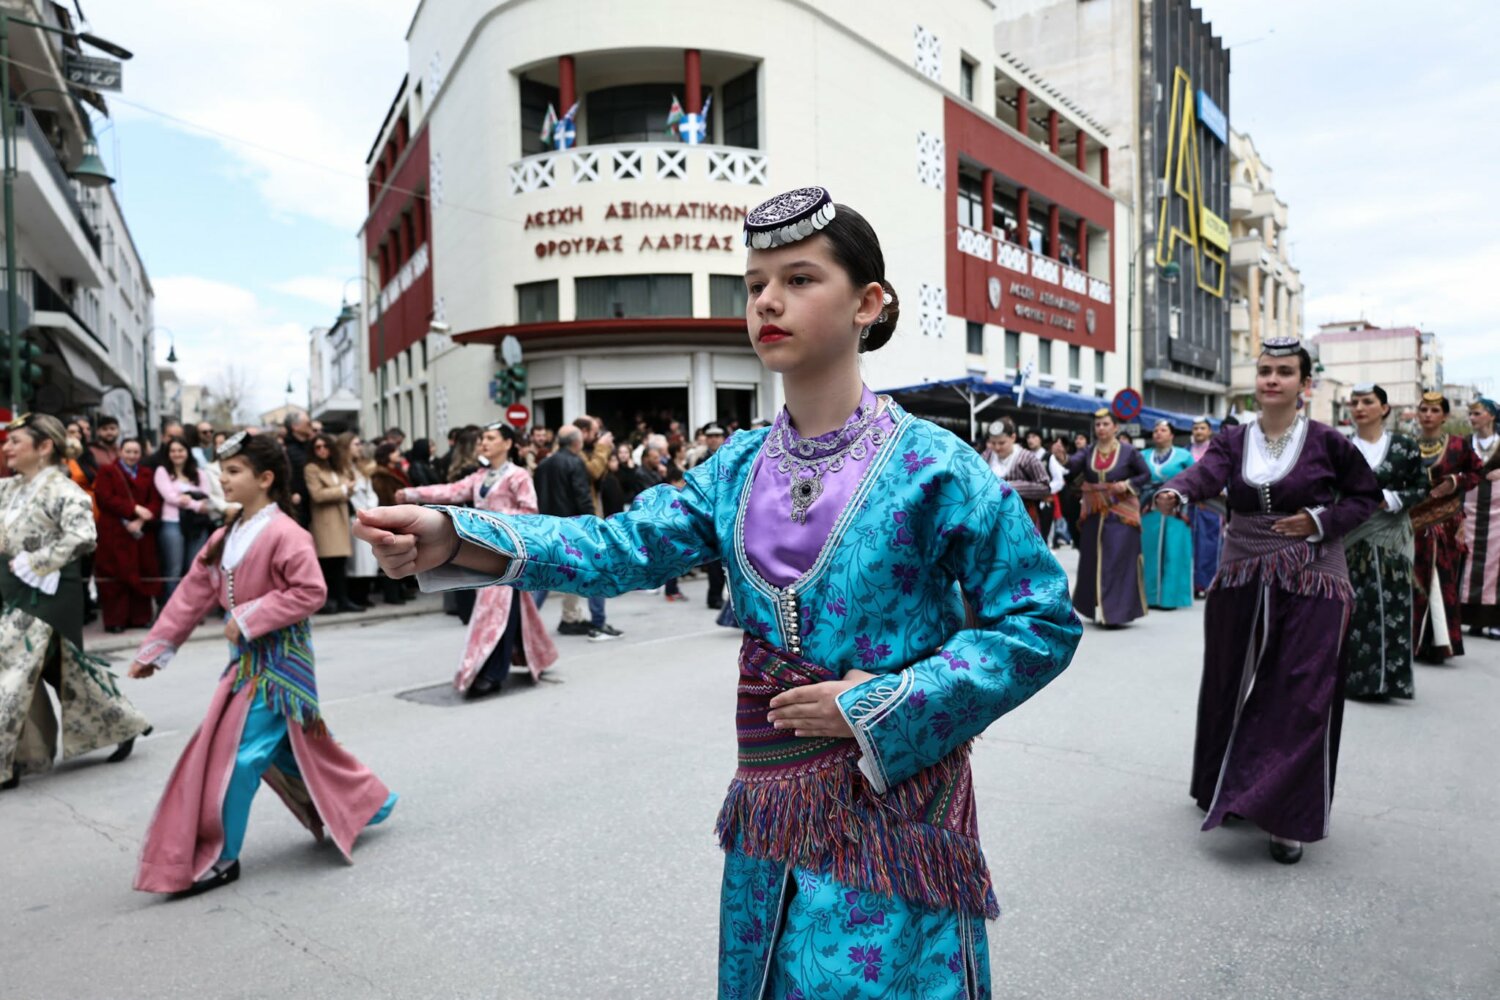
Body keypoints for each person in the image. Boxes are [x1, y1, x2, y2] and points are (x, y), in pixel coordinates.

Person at [354, 186, 1080, 998]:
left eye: (799, 279)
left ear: (868, 304)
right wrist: (459, 536)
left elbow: (1040, 619)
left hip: (895, 820)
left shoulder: (936, 467)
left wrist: (884, 703)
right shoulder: (734, 468)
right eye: (755, 283)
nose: (767, 300)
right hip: (769, 819)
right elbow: (619, 547)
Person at [128, 432, 396, 896]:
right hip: (246, 665)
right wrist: (156, 649)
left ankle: (221, 855)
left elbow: (310, 591)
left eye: (234, 471)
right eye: (222, 471)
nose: (223, 479)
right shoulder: (224, 536)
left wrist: (248, 617)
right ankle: (368, 802)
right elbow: (192, 593)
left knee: (237, 757)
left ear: (265, 478)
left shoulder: (287, 533)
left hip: (280, 669)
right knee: (291, 751)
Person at [1155, 338, 1381, 865]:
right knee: (1226, 678)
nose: (1272, 379)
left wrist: (1320, 521)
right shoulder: (1233, 439)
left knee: (1301, 690)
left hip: (1314, 569)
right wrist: (1177, 492)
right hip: (1243, 564)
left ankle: (1287, 815)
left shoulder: (1328, 442)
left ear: (1305, 384)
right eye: (1264, 371)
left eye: (1284, 372)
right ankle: (1224, 784)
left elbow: (1364, 497)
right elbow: (1206, 474)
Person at [1, 414, 152, 791]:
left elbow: (83, 535)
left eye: (15, 441)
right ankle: (118, 722)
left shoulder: (64, 490)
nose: (7, 447)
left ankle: (7, 761)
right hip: (13, 589)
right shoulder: (9, 488)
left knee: (13, 668)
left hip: (49, 592)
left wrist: (38, 562)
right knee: (61, 667)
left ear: (44, 447)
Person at [398, 424, 559, 697]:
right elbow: (451, 491)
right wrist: (412, 494)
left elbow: (530, 513)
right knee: (505, 608)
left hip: (509, 553)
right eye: (483, 438)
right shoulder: (480, 476)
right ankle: (525, 657)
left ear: (507, 443)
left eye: (491, 438)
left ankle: (492, 671)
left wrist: (495, 522)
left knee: (495, 610)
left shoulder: (518, 476)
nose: (484, 442)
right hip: (484, 552)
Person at [1342, 384, 1429, 700]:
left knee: (1392, 604)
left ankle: (1389, 682)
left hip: (1391, 536)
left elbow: (1421, 487)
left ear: (1384, 408)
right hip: (1350, 538)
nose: (1359, 407)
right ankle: (1352, 681)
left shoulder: (1405, 447)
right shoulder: (1340, 447)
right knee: (1353, 607)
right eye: (1355, 402)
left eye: (1368, 402)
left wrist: (1390, 499)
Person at [1408, 391, 1482, 664]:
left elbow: (1477, 472)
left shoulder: (1458, 446)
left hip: (1444, 524)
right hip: (1410, 523)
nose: (1428, 415)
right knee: (1411, 581)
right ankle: (1409, 642)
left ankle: (1438, 644)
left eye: (1434, 410)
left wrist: (1455, 481)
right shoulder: (1406, 445)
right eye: (1423, 409)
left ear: (1445, 416)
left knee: (1441, 580)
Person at [532, 425, 622, 641]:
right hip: (573, 528)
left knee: (546, 578)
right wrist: (592, 525)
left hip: (548, 527)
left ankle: (524, 623)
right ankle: (598, 623)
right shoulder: (575, 462)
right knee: (596, 572)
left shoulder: (543, 465)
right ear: (577, 443)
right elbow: (583, 496)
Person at [1067, 408, 1150, 627]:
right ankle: (1098, 608)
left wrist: (1128, 484)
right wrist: (1061, 457)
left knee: (1116, 561)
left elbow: (1145, 474)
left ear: (1115, 427)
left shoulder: (1129, 451)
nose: (1101, 428)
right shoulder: (1089, 451)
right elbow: (1072, 465)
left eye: (1105, 424)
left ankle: (1116, 613)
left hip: (1121, 513)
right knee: (1092, 560)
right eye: (1098, 425)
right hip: (1094, 512)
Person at [93, 438, 163, 633]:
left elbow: (155, 500)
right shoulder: (108, 471)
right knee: (114, 575)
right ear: (120, 452)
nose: (132, 456)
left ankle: (141, 618)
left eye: (136, 452)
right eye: (128, 451)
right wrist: (133, 509)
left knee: (142, 571)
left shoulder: (147, 473)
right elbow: (105, 498)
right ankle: (115, 620)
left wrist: (141, 519)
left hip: (141, 532)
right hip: (115, 531)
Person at [304, 433, 362, 615]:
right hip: (325, 521)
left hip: (340, 517)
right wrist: (343, 489)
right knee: (327, 562)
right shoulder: (312, 468)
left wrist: (346, 489)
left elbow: (349, 488)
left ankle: (343, 599)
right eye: (317, 447)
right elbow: (317, 495)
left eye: (325, 446)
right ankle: (328, 601)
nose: (322, 450)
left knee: (340, 562)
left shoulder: (337, 467)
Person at [1140, 420, 1195, 610]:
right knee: (1148, 551)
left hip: (1176, 509)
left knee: (1174, 551)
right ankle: (1149, 596)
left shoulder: (1184, 456)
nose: (1158, 433)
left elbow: (1195, 480)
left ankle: (1171, 598)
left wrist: (1179, 497)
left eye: (1163, 430)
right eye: (1155, 430)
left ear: (1171, 435)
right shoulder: (1143, 455)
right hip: (1149, 508)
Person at [153, 436, 215, 604]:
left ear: (187, 452)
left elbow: (206, 496)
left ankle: (191, 607)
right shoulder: (162, 471)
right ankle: (171, 608)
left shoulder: (199, 473)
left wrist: (186, 498)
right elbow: (170, 497)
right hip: (172, 523)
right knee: (173, 569)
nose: (177, 454)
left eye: (180, 450)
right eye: (173, 451)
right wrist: (195, 504)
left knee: (194, 568)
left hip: (196, 525)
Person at [1459, 398, 1500, 640]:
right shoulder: (1464, 444)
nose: (1472, 418)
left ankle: (1494, 621)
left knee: (1496, 565)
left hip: (1498, 513)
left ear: (1491, 416)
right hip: (1469, 511)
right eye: (1471, 414)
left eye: (1477, 413)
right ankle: (1472, 619)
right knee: (1467, 563)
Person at [982, 418, 1050, 532]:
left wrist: (1011, 486)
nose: (997, 447)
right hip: (992, 518)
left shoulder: (1026, 458)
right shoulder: (987, 456)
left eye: (1002, 443)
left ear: (1013, 437)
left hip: (1021, 519)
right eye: (993, 443)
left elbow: (1045, 488)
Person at [370, 443, 412, 605]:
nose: (398, 453)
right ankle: (392, 593)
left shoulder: (396, 471)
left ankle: (400, 589)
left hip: (402, 515)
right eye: (394, 452)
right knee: (392, 555)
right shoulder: (380, 475)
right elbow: (384, 497)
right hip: (391, 517)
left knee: (401, 554)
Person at [1187, 417, 1223, 598]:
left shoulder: (1217, 451)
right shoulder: (1185, 452)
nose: (1198, 431)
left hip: (1212, 504)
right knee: (1190, 545)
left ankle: (1209, 584)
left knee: (1210, 545)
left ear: (1209, 431)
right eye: (1195, 428)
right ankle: (1192, 584)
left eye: (1202, 428)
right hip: (1190, 504)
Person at [343, 433, 378, 610]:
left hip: (366, 515)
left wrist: (370, 508)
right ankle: (356, 596)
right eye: (355, 444)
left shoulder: (360, 468)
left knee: (367, 559)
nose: (359, 447)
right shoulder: (343, 469)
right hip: (353, 517)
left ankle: (364, 594)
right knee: (356, 561)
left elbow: (370, 492)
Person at [282, 412, 314, 527]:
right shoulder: (286, 451)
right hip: (299, 509)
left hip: (313, 507)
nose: (311, 426)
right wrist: (291, 494)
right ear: (295, 427)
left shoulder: (312, 447)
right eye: (308, 423)